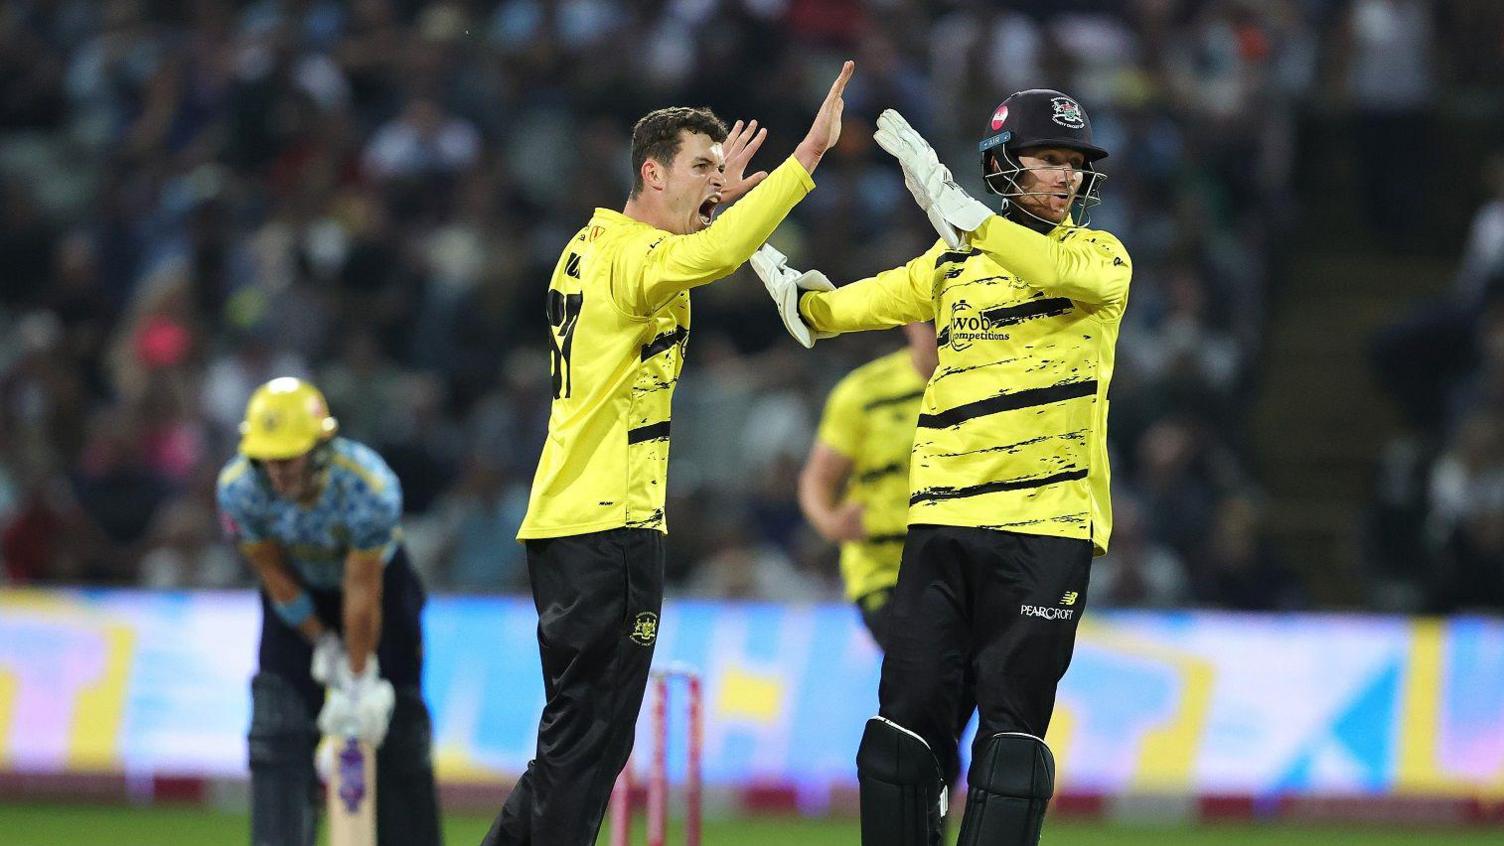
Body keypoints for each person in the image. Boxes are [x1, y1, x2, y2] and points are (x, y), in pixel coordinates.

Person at [482, 60, 855, 846]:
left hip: (568, 524)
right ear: (651, 171)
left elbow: (690, 249)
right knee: (587, 749)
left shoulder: (594, 245)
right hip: (608, 530)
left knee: (574, 744)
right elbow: (707, 261)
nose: (713, 184)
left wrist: (722, 198)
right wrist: (805, 161)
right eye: (699, 168)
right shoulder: (635, 261)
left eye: (719, 171)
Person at [754, 89, 1131, 845]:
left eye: (1073, 164)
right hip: (941, 526)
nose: (1063, 178)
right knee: (901, 737)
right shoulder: (949, 260)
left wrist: (959, 207)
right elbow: (836, 312)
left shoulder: (1099, 257)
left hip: (1046, 529)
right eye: (1047, 159)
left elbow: (1040, 265)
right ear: (1004, 166)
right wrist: (771, 264)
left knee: (1013, 741)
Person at [216, 376, 441, 846]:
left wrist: (357, 679)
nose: (277, 473)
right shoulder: (240, 489)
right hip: (298, 595)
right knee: (277, 728)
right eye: (268, 460)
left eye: (289, 459)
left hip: (379, 594)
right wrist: (323, 642)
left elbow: (361, 592)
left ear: (320, 446)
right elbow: (274, 575)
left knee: (397, 732)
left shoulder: (368, 486)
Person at [799, 323, 936, 651]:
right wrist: (830, 523)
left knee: (953, 687)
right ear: (911, 325)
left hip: (964, 566)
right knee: (920, 670)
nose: (942, 332)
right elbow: (818, 479)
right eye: (931, 324)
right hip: (885, 571)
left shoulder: (988, 385)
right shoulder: (865, 392)